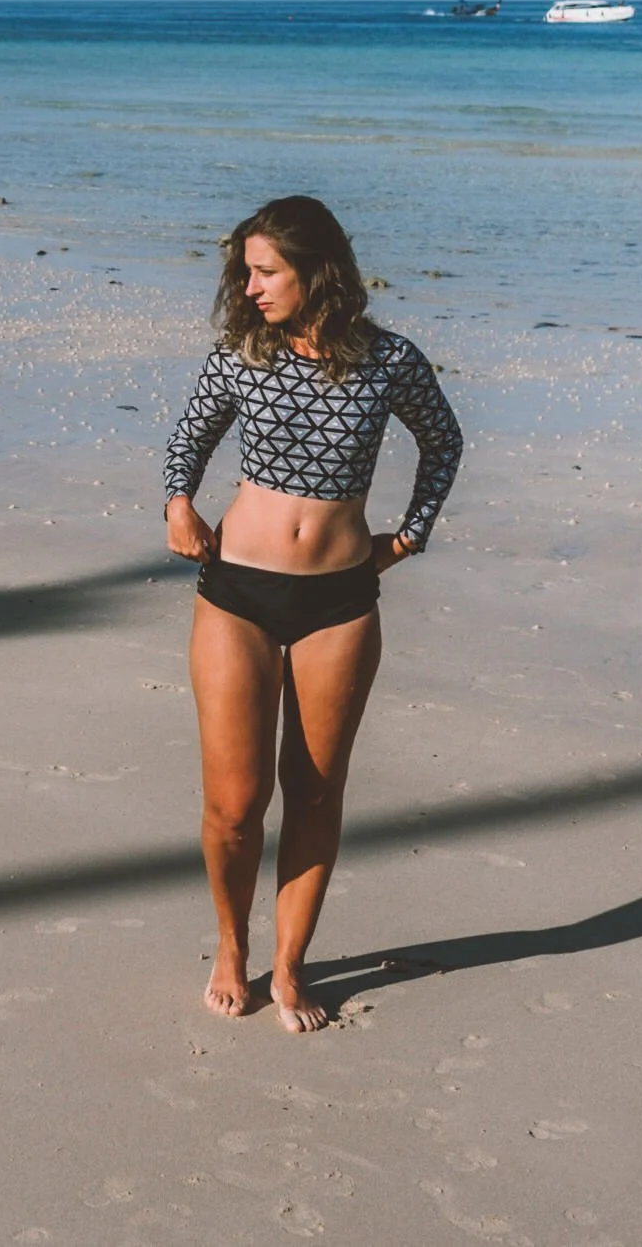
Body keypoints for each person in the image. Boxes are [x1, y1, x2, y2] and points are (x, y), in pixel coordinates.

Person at [163, 194, 462, 1031]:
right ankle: (231, 944)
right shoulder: (239, 354)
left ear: (315, 269)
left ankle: (289, 966)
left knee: (315, 794)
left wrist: (404, 540)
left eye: (266, 271)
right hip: (238, 594)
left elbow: (443, 441)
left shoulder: (390, 360)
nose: (249, 287)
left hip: (338, 601)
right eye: (245, 272)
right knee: (234, 802)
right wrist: (177, 505)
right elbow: (189, 436)